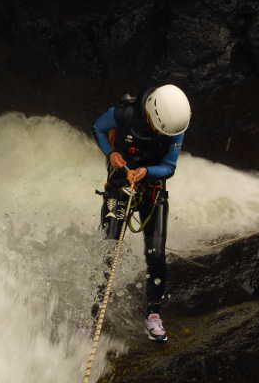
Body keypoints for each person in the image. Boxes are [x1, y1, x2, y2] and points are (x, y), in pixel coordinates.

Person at [91, 84, 191, 343]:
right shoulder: (123, 114)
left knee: (155, 252)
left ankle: (154, 314)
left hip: (152, 189)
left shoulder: (176, 125)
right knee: (110, 248)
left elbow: (169, 166)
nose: (162, 134)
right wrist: (111, 152)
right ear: (152, 116)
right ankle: (94, 316)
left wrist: (147, 172)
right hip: (120, 185)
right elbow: (98, 129)